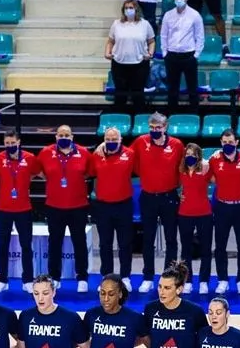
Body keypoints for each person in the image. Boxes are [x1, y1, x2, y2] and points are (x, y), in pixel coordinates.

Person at [34, 126, 93, 293]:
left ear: (72, 137)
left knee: (79, 243)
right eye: (61, 135)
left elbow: (88, 173)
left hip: (78, 206)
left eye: (67, 135)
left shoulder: (84, 153)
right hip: (54, 207)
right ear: (56, 137)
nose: (64, 137)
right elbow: (39, 171)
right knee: (54, 243)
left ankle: (82, 277)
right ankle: (54, 277)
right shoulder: (46, 153)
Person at [132, 112, 184, 293]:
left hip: (169, 197)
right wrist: (102, 146)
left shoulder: (177, 145)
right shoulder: (140, 142)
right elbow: (128, 157)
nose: (155, 131)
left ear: (166, 127)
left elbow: (184, 168)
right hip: (147, 197)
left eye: (158, 128)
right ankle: (147, 277)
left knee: (171, 239)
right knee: (148, 239)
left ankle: (169, 276)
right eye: (152, 128)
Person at [90, 128, 136, 289]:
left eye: (114, 138)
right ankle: (107, 277)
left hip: (124, 205)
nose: (111, 141)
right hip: (103, 206)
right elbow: (89, 173)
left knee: (125, 243)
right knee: (105, 243)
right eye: (107, 139)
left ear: (121, 139)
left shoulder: (130, 154)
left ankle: (125, 277)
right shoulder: (97, 155)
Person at [209, 129, 240, 295]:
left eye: (231, 142)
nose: (228, 145)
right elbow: (207, 175)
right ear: (221, 143)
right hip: (222, 207)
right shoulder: (214, 160)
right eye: (225, 142)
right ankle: (223, 280)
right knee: (220, 245)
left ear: (237, 142)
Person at [0, 130, 35, 293]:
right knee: (2, 245)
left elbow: (39, 173)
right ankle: (2, 279)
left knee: (26, 245)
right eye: (7, 143)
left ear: (19, 142)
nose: (10, 146)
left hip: (24, 208)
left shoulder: (30, 158)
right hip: (4, 208)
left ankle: (28, 280)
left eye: (13, 143)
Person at [105, 0, 156, 113]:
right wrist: (107, 52)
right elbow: (110, 41)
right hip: (119, 63)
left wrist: (150, 53)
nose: (129, 10)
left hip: (140, 64)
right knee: (120, 95)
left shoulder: (144, 24)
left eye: (131, 8)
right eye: (126, 8)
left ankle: (139, 122)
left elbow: (151, 41)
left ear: (136, 9)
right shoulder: (116, 24)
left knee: (138, 95)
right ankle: (119, 121)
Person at [161, 0, 205, 112]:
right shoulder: (168, 15)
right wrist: (165, 53)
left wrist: (195, 55)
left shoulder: (195, 15)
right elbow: (163, 35)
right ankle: (172, 115)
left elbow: (200, 37)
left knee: (192, 88)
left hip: (189, 56)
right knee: (172, 89)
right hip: (172, 56)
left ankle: (194, 115)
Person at [178, 143, 212, 295]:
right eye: (187, 154)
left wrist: (208, 162)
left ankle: (204, 281)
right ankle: (188, 280)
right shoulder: (181, 170)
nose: (190, 156)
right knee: (186, 250)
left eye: (193, 154)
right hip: (185, 213)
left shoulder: (205, 169)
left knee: (205, 248)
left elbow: (219, 179)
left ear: (198, 156)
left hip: (204, 213)